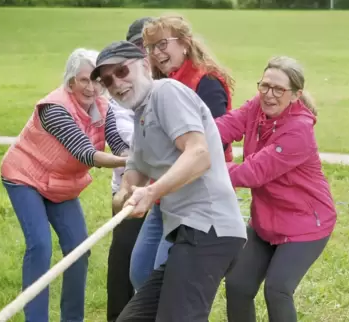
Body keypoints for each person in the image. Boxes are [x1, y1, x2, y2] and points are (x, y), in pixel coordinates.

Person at [91, 40, 247, 321]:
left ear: (143, 65)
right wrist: (125, 192)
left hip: (210, 228)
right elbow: (136, 167)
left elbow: (199, 155)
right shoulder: (141, 112)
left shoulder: (166, 92)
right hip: (185, 232)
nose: (116, 83)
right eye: (107, 80)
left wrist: (152, 192)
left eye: (122, 71)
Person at [0, 48, 129, 322]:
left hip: (59, 183)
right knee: (40, 246)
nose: (91, 87)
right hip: (25, 177)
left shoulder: (105, 107)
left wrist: (134, 156)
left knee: (79, 249)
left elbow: (117, 143)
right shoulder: (54, 108)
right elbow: (85, 152)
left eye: (96, 80)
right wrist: (127, 163)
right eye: (84, 80)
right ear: (70, 82)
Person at [215, 56, 337, 322]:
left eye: (278, 89)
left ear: (295, 95)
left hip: (305, 224)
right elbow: (225, 126)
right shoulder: (257, 106)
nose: (269, 95)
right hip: (266, 221)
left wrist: (203, 169)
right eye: (265, 85)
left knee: (277, 289)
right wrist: (192, 138)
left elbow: (254, 172)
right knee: (238, 285)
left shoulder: (299, 131)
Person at [129, 14, 236, 290]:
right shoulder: (157, 86)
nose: (157, 53)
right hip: (164, 193)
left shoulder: (207, 81)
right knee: (141, 273)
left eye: (163, 44)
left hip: (197, 198)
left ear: (185, 44)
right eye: (152, 47)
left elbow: (215, 141)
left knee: (168, 280)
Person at [106, 17, 154, 322]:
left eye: (150, 46)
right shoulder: (117, 88)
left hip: (167, 194)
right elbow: (121, 138)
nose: (145, 52)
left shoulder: (169, 87)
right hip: (129, 189)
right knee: (122, 262)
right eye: (139, 46)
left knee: (152, 268)